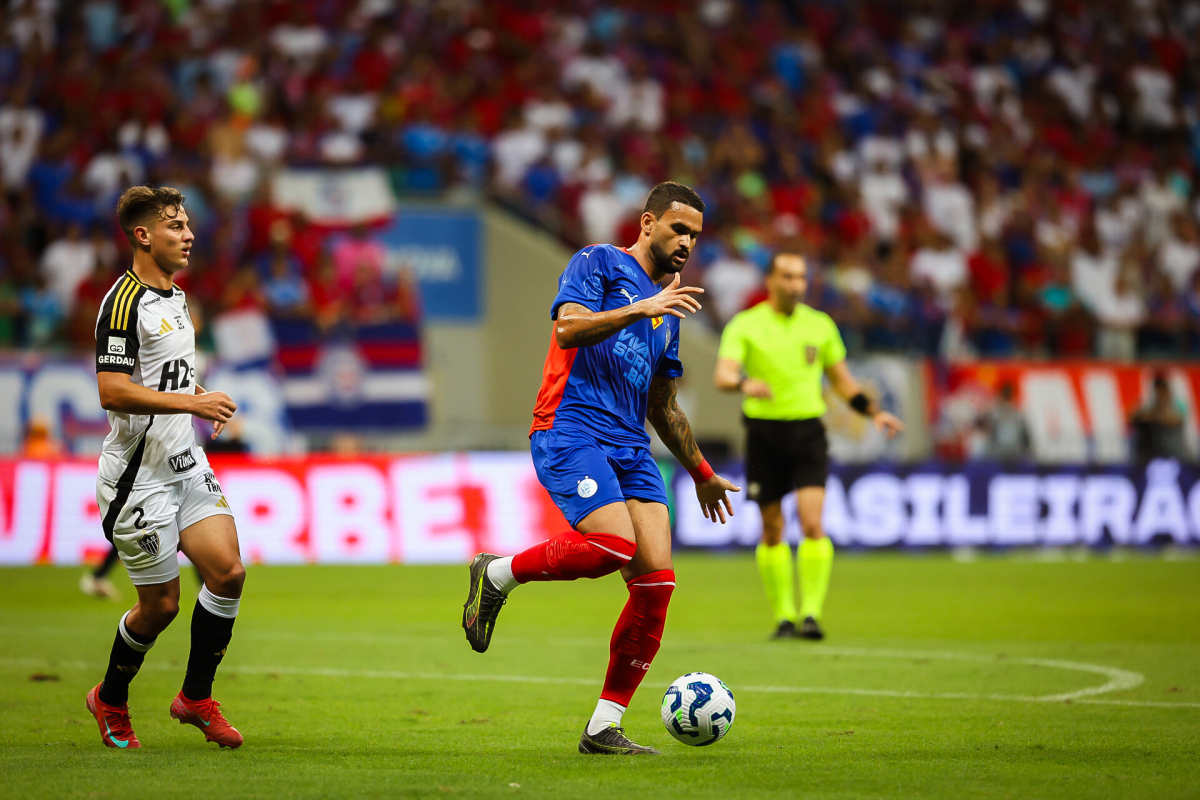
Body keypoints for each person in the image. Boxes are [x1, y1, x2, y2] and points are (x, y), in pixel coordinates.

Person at [461, 181, 740, 755]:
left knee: (657, 583)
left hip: (631, 445)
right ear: (647, 223)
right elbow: (566, 329)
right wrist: (641, 305)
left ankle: (602, 727)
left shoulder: (670, 313)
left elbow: (662, 404)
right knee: (613, 545)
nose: (687, 242)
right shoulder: (599, 262)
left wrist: (701, 471)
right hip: (570, 428)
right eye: (677, 229)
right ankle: (497, 574)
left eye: (695, 235)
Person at [85, 185, 246, 750]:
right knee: (161, 607)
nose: (189, 235)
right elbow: (112, 390)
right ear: (143, 235)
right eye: (175, 226)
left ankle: (195, 699)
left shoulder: (175, 296)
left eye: (187, 225)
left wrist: (200, 394)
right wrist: (193, 404)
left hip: (184, 461)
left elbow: (164, 374)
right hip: (137, 479)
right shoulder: (121, 303)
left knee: (227, 573)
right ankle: (110, 698)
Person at [714, 253, 903, 641]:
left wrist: (874, 413)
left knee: (813, 522)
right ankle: (784, 616)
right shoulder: (745, 325)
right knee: (772, 528)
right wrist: (743, 384)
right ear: (770, 280)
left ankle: (811, 615)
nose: (795, 284)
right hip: (764, 433)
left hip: (808, 433)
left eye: (800, 277)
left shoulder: (820, 326)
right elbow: (724, 374)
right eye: (787, 276)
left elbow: (843, 382)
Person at [1129, 371, 1187, 462]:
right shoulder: (1149, 405)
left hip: (1175, 454)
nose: (1160, 394)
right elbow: (1134, 417)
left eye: (1162, 390)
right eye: (1157, 390)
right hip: (1152, 454)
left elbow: (1174, 419)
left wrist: (1155, 416)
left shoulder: (1178, 404)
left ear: (1167, 390)